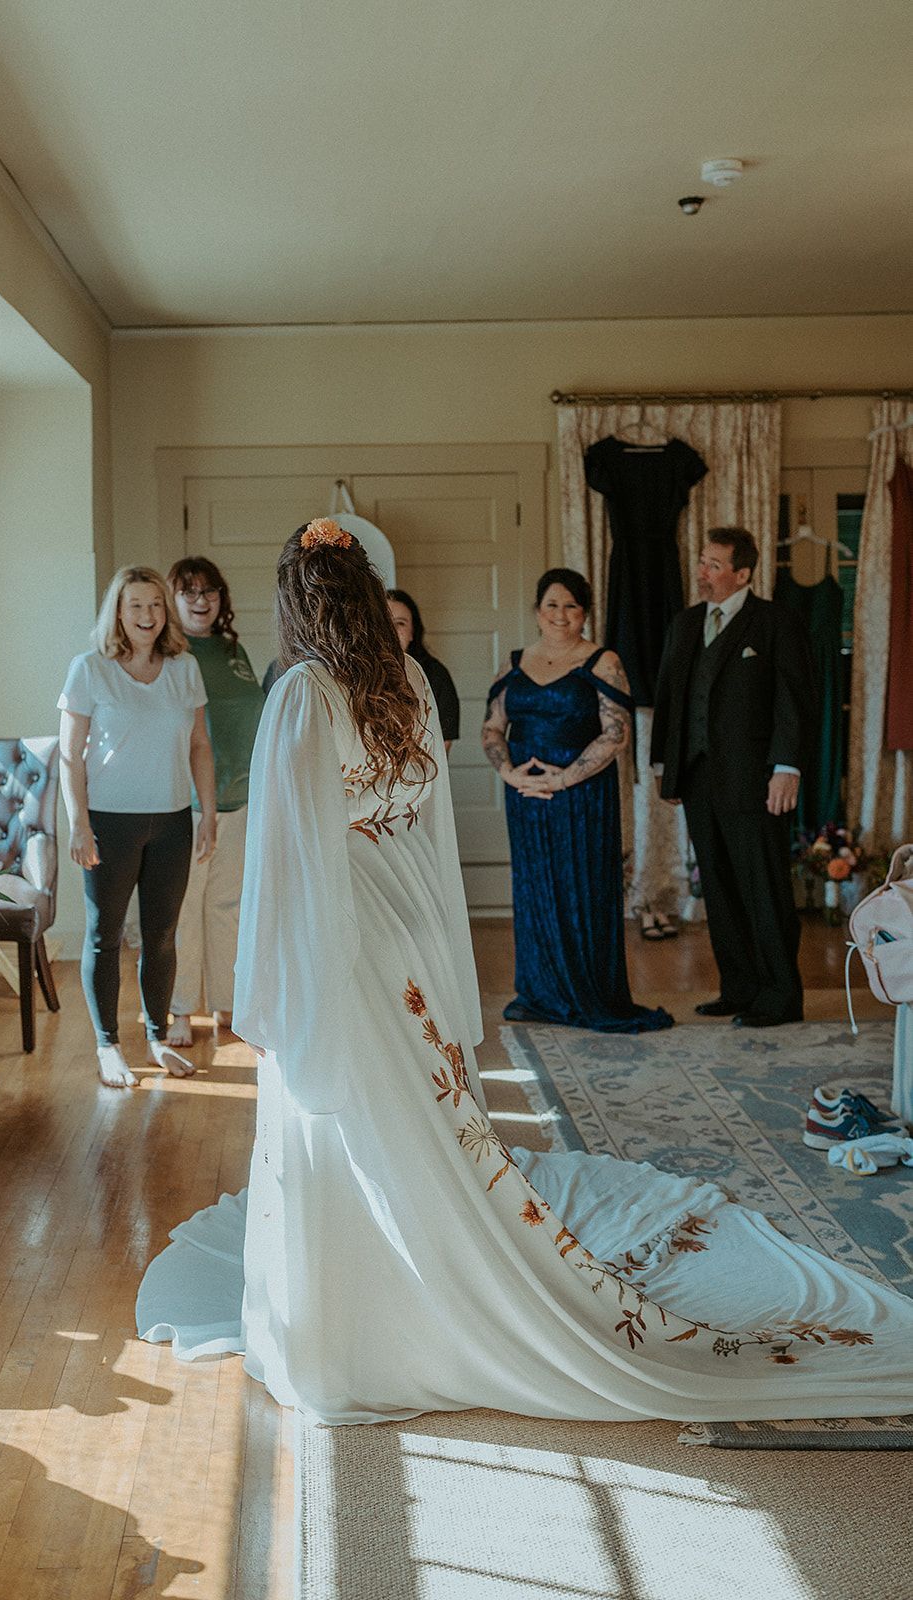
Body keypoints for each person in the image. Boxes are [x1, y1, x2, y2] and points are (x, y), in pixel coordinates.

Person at [136, 520, 913, 1429]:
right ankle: (407, 1278)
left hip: (334, 941)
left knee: (344, 1127)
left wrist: (265, 996)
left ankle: (356, 1319)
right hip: (399, 943)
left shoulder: (304, 693)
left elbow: (286, 854)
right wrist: (439, 959)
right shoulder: (408, 685)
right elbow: (426, 840)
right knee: (410, 1120)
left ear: (297, 603)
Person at [482, 568, 672, 1032]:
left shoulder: (603, 661)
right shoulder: (513, 662)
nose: (561, 615)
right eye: (552, 605)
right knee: (535, 890)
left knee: (582, 891)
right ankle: (542, 993)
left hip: (582, 797)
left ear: (585, 613)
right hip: (526, 797)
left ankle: (589, 992)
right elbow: (491, 728)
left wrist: (563, 779)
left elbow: (616, 736)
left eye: (571, 605)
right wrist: (508, 772)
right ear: (537, 611)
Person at [651, 528, 817, 1027]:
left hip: (756, 781)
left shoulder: (775, 623)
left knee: (763, 886)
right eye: (702, 562)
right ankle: (740, 987)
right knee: (719, 886)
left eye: (714, 565)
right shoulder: (685, 624)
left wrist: (786, 767)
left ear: (743, 574)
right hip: (700, 777)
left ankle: (781, 995)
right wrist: (667, 765)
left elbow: (796, 700)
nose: (702, 573)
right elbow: (670, 697)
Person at [58, 566, 216, 1087]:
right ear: (117, 614)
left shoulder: (184, 668)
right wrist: (79, 823)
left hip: (172, 822)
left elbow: (199, 746)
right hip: (108, 824)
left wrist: (208, 813)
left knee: (162, 936)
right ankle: (107, 1046)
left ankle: (155, 1037)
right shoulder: (89, 670)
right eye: (135, 606)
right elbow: (69, 757)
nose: (147, 616)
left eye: (154, 605)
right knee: (105, 936)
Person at [165, 557, 264, 1044]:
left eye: (210, 592)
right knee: (183, 908)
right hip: (187, 804)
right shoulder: (172, 655)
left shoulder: (232, 650)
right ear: (173, 599)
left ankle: (225, 1003)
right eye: (189, 592)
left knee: (227, 905)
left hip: (240, 800)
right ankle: (180, 1011)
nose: (201, 601)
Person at [387, 589, 460, 751]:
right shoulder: (356, 675)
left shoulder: (435, 674)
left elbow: (443, 744)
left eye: (400, 623)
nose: (391, 630)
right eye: (384, 622)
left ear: (413, 632)